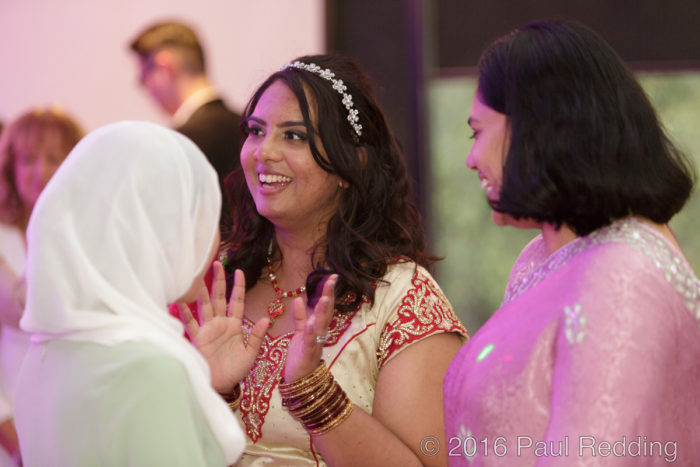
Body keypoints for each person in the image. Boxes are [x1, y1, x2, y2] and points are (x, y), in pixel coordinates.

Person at [178, 54, 468, 465]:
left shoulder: (401, 298)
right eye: (256, 131)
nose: (264, 152)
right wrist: (215, 393)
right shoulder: (216, 281)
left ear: (351, 164)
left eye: (293, 136)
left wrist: (314, 393)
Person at [443, 20, 700, 466]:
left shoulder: (624, 274)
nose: (470, 158)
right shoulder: (540, 259)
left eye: (477, 132)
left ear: (534, 129)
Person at [13, 121, 269, 465]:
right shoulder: (149, 370)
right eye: (203, 219)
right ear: (157, 233)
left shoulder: (48, 349)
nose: (214, 242)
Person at [0, 107, 83, 466]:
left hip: (74, 413)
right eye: (28, 159)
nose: (40, 172)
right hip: (10, 421)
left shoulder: (87, 238)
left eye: (53, 159)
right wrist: (6, 425)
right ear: (9, 168)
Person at [129, 20, 242, 230]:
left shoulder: (180, 141)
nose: (146, 88)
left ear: (165, 66)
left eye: (143, 77)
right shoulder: (247, 126)